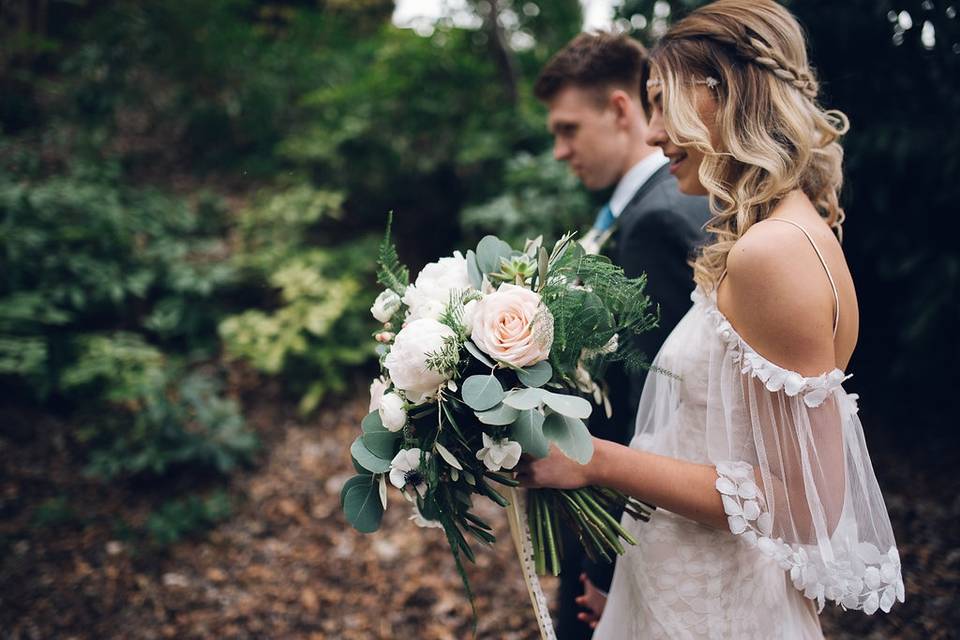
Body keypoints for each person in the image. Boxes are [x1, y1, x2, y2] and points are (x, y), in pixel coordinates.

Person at [517, 2, 904, 638]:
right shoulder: (770, 236)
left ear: (721, 93)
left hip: (715, 612)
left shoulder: (773, 252)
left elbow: (804, 506)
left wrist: (593, 461)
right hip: (685, 584)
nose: (652, 131)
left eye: (665, 102)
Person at [533, 32, 711, 639]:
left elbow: (655, 412)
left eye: (568, 129)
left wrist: (613, 572)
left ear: (617, 109)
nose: (559, 150)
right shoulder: (654, 207)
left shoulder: (657, 221)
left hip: (623, 526)